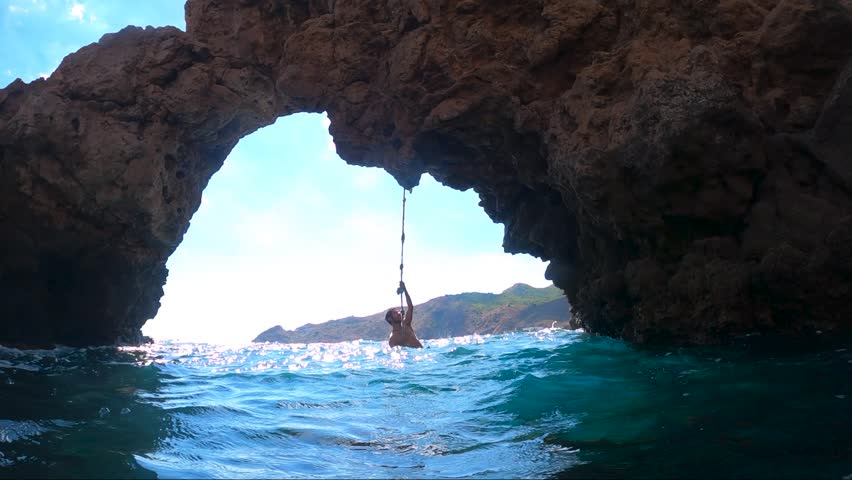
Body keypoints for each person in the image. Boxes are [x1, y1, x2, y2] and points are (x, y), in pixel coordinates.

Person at [385, 281, 423, 348]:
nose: (399, 313)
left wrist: (405, 289)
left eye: (398, 311)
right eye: (395, 313)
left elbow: (410, 307)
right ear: (390, 319)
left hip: (424, 354)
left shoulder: (406, 324)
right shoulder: (393, 338)